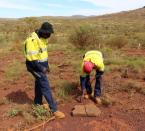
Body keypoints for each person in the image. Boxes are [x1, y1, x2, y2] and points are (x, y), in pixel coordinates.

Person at [23, 22, 65, 118]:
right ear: (43, 32)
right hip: (34, 66)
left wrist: (47, 65)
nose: (49, 36)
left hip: (41, 65)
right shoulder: (32, 41)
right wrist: (42, 68)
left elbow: (43, 54)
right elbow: (33, 60)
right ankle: (54, 109)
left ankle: (37, 103)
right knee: (45, 86)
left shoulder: (42, 38)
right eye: (48, 34)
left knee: (39, 83)